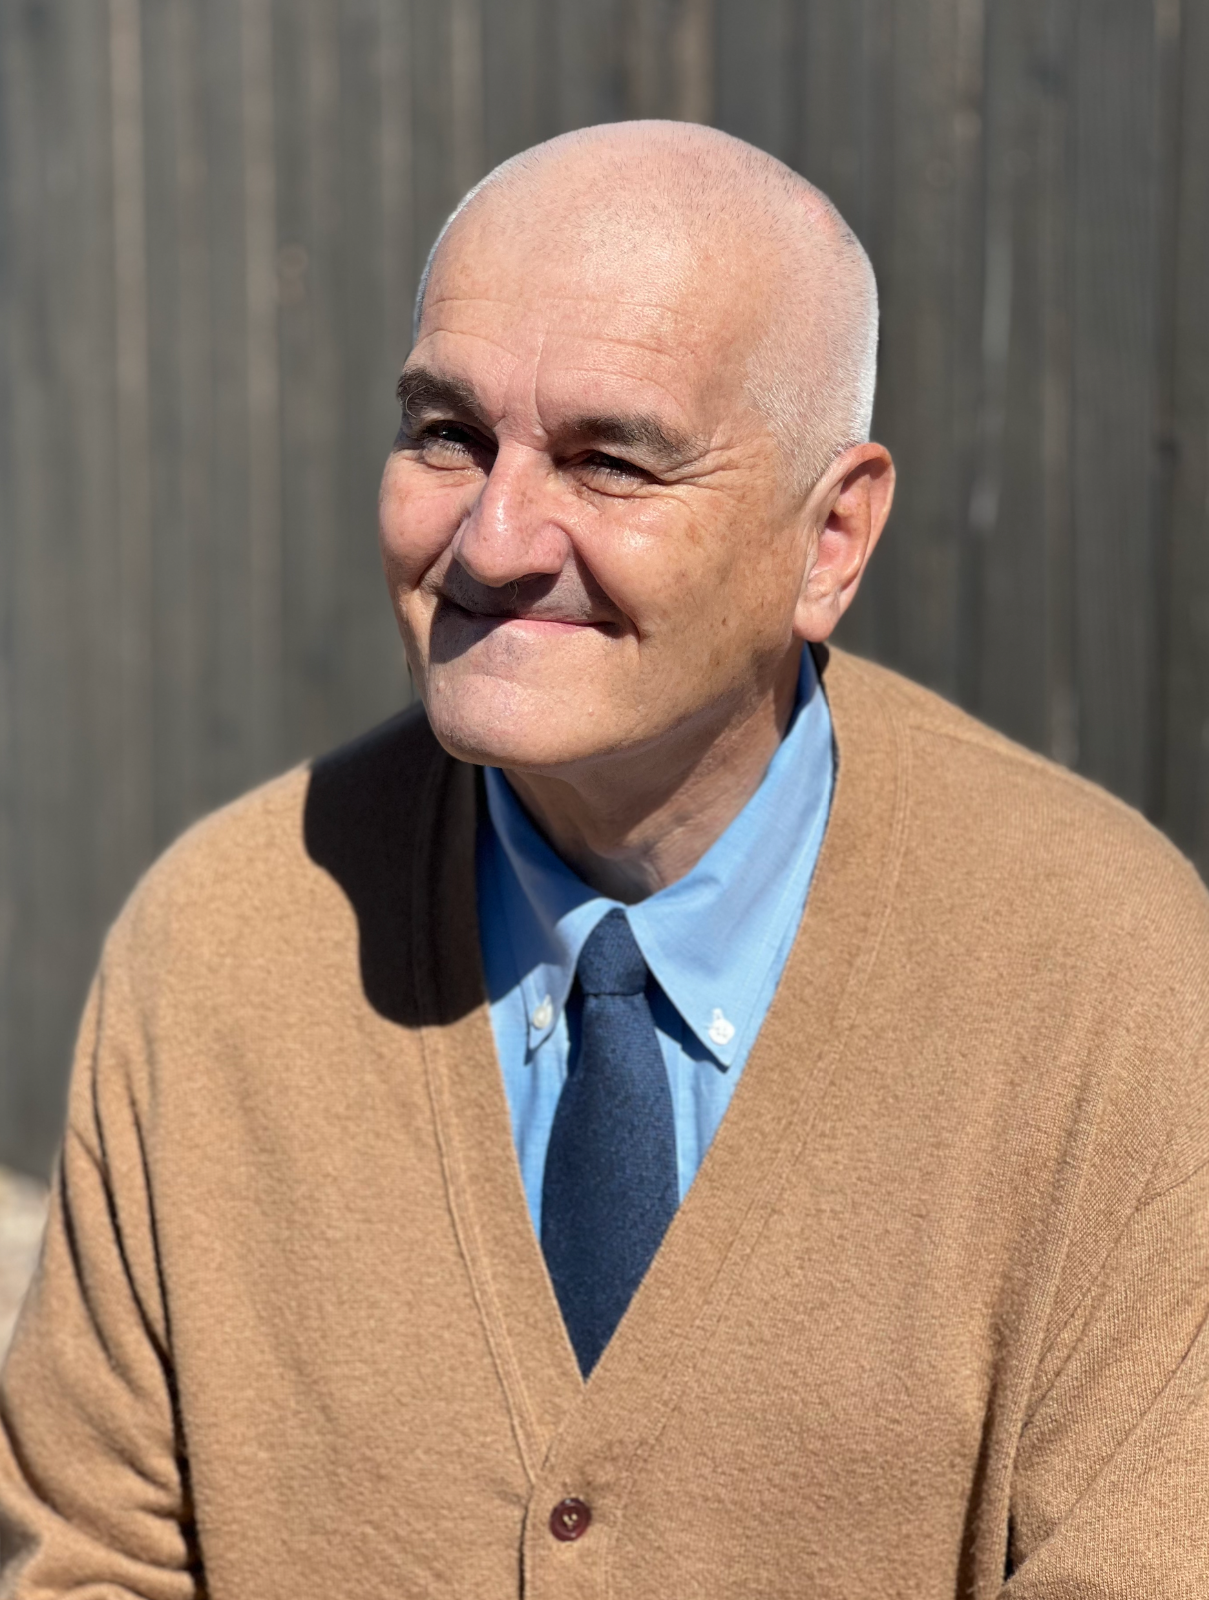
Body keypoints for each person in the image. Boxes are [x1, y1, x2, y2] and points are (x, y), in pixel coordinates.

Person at [2, 120, 1207, 1599]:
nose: (494, 538)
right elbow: (90, 1557)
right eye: (448, 435)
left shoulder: (1109, 982)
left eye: (610, 460)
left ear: (832, 537)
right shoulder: (219, 949)